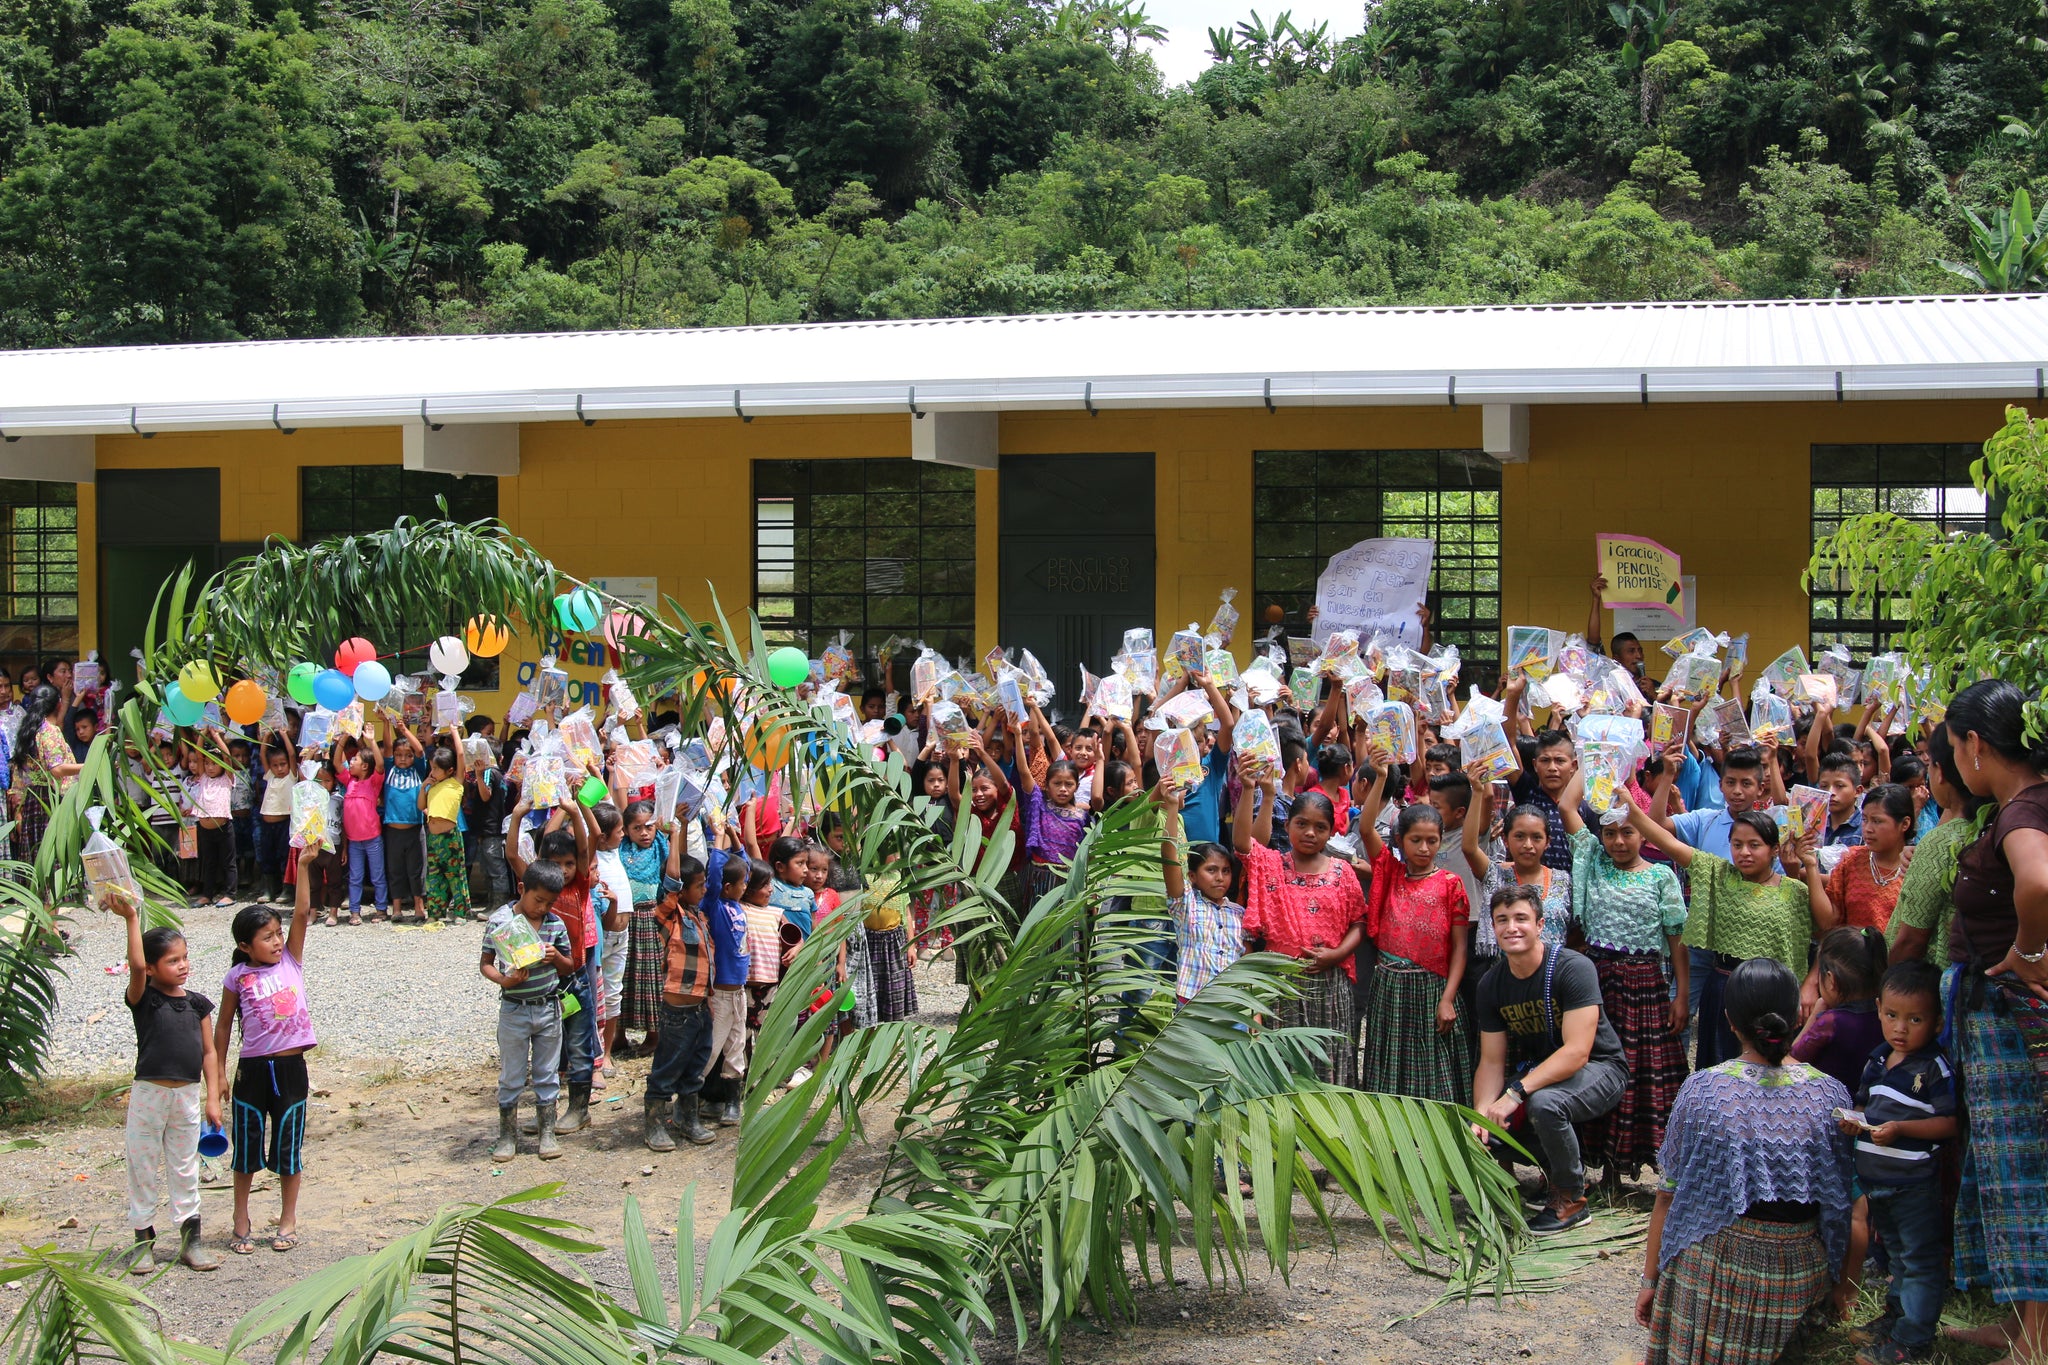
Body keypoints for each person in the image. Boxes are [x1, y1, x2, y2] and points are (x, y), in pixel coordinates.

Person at [1638, 957, 1862, 1365]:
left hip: (1712, 1273)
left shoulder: (1703, 1090)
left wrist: (1650, 1280)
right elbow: (1839, 1207)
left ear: (1729, 1020)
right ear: (1797, 1015)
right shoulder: (1830, 1095)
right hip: (1796, 1275)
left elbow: (1667, 1197)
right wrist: (1837, 1283)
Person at [1940, 679, 2048, 1365]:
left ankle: (2037, 1337)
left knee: (2027, 1172)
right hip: (1999, 1024)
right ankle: (2017, 1320)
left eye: (1954, 749)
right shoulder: (2020, 803)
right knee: (2003, 1172)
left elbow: (2037, 883)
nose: (1955, 764)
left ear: (1976, 744)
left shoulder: (2022, 812)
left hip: (2018, 1025)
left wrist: (2028, 951)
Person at [1470, 883, 1630, 1233]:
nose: (1512, 927)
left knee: (1543, 1104)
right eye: (1502, 920)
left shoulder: (1573, 967)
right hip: (1543, 1073)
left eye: (1521, 918)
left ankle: (1571, 1199)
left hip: (1601, 1069)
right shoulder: (1491, 984)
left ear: (1540, 925)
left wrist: (1514, 1094)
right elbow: (1492, 1062)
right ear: (1492, 927)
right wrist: (1481, 1114)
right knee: (1490, 1126)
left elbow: (1577, 1052)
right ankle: (1557, 1174)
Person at [1554, 768, 1688, 1185]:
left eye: (1627, 832)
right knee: (1594, 1066)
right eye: (1610, 833)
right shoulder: (1593, 860)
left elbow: (1676, 939)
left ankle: (1639, 1162)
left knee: (1641, 1071)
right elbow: (1565, 804)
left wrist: (1681, 994)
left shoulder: (1662, 876)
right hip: (1598, 982)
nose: (1618, 841)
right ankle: (1601, 1166)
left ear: (1643, 834)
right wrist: (1595, 756)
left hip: (1646, 986)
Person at [1629, 799, 1832, 1068]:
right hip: (1725, 987)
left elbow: (1826, 925)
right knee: (1721, 1065)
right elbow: (1671, 845)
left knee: (1768, 1069)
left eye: (1754, 845)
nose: (1744, 852)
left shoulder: (1793, 891)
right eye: (1737, 845)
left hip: (1773, 994)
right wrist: (1633, 811)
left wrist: (1812, 866)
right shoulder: (1721, 875)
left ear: (1774, 850)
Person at [1842, 959, 1957, 1365]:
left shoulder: (1933, 1067)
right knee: (1894, 1256)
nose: (1901, 1029)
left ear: (1937, 1021)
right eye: (1891, 1016)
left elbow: (1948, 1122)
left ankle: (1913, 1341)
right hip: (1878, 1184)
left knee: (1920, 1260)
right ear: (1878, 1009)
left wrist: (1901, 1129)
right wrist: (1854, 1123)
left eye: (1915, 1019)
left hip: (1913, 1184)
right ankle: (1895, 1319)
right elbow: (1862, 1105)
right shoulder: (1877, 1059)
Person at [111, 893, 222, 1273]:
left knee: (185, 1167)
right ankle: (144, 1241)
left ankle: (191, 1241)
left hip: (187, 1097)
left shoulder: (198, 1004)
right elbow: (136, 967)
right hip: (149, 1096)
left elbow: (209, 1053)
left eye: (185, 958)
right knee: (141, 1167)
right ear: (154, 968)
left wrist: (213, 1097)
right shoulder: (144, 999)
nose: (182, 966)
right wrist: (130, 918)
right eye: (172, 961)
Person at [216, 847, 319, 1255]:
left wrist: (304, 865)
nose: (277, 941)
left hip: (292, 1071)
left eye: (278, 934)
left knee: (288, 1148)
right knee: (246, 1149)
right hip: (252, 1072)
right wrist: (220, 1074)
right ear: (245, 945)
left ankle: (287, 1219)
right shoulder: (236, 977)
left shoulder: (291, 961)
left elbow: (301, 912)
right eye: (267, 937)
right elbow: (223, 1025)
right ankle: (241, 1220)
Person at [1232, 777, 1367, 1087]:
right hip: (1283, 987)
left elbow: (1359, 922)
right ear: (1289, 825)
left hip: (1331, 987)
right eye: (1302, 823)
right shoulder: (1272, 866)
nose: (1310, 832)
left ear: (1332, 831)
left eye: (1320, 827)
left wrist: (1338, 954)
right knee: (1285, 1066)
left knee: (1330, 1061)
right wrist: (1257, 791)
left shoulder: (1342, 872)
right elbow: (1243, 844)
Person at [1356, 757, 1470, 1104]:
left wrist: (1448, 998)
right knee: (1389, 1063)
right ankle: (1391, 1139)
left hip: (1431, 987)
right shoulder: (1390, 873)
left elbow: (1460, 948)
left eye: (1432, 841)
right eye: (1416, 840)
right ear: (1401, 840)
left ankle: (1433, 1141)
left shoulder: (1452, 885)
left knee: (1430, 1065)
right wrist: (1379, 778)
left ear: (1441, 840)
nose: (1424, 848)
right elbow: (1365, 829)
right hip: (1389, 983)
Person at [481, 860, 573, 1161]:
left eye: (549, 903)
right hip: (514, 1010)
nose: (542, 908)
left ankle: (547, 1133)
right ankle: (507, 1136)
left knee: (547, 1073)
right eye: (538, 900)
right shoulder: (500, 922)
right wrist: (505, 980)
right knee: (512, 1075)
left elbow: (570, 966)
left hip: (547, 1009)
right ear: (522, 889)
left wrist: (556, 956)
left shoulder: (555, 924)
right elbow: (486, 964)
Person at [1887, 726, 1984, 970]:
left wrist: (1883, 983)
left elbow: (1911, 940)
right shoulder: (1996, 823)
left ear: (1939, 773)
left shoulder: (1945, 841)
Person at [645, 863, 717, 1151]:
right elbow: (672, 879)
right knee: (667, 1067)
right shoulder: (670, 917)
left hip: (700, 1009)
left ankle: (688, 1118)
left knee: (694, 1067)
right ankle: (654, 1124)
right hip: (677, 1013)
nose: (704, 889)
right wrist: (677, 830)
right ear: (682, 890)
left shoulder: (700, 917)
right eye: (699, 885)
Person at [1159, 783, 1244, 1004]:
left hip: (1231, 1005)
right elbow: (1169, 858)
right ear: (1192, 876)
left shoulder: (1239, 913)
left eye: (1226, 871)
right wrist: (1171, 806)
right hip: (1192, 1003)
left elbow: (1246, 964)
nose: (1220, 877)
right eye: (1211, 870)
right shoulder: (1186, 904)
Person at [1791, 927, 1888, 1095]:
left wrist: (1815, 1015)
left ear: (1831, 980)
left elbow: (1791, 1062)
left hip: (1826, 1107)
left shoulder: (1831, 1022)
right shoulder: (1885, 1017)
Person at [700, 840, 752, 1126]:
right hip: (720, 993)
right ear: (727, 887)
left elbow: (745, 870)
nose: (747, 886)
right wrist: (718, 841)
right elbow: (715, 876)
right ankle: (692, 1098)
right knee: (711, 1050)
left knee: (736, 1047)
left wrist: (734, 837)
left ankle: (733, 1103)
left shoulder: (737, 904)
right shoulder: (716, 907)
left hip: (739, 992)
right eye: (741, 883)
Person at [10, 683, 79, 868]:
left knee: (37, 853)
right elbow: (56, 769)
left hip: (33, 800)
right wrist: (88, 766)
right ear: (57, 705)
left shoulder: (30, 731)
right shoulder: (50, 730)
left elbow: (20, 775)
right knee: (54, 855)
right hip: (52, 798)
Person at [336, 729, 387, 925]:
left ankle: (381, 909)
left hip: (372, 838)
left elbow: (380, 764)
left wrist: (372, 741)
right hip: (354, 841)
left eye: (355, 759)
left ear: (365, 766)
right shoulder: (350, 781)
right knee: (355, 877)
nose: (351, 762)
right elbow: (336, 764)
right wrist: (342, 741)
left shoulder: (373, 782)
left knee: (377, 875)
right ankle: (354, 911)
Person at [382, 722, 431, 924]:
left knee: (417, 869)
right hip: (393, 830)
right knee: (395, 869)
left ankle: (419, 907)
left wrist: (403, 730)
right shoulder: (389, 769)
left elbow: (420, 750)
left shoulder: (418, 770)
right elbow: (386, 748)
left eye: (407, 755)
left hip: (415, 828)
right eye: (399, 755)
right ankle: (397, 908)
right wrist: (386, 724)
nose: (403, 759)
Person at [422, 734, 469, 923]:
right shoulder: (432, 786)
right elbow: (421, 806)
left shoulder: (455, 783)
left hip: (450, 838)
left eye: (436, 769)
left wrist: (453, 731)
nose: (432, 772)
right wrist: (424, 786)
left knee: (455, 876)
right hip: (433, 839)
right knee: (434, 878)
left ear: (449, 770)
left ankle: (460, 913)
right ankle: (435, 913)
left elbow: (460, 755)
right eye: (431, 767)